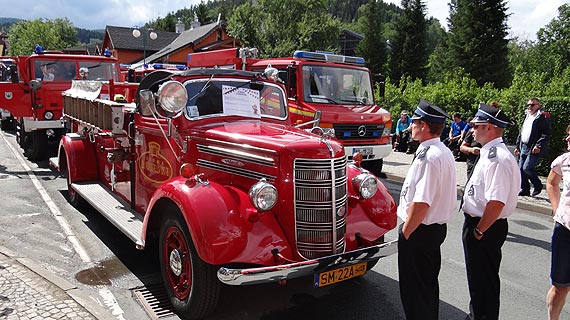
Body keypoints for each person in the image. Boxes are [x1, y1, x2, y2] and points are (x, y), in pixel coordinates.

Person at [397, 99, 457, 320]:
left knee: (414, 291)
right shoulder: (442, 151)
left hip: (419, 231)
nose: (410, 125)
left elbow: (422, 202)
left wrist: (406, 232)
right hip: (433, 229)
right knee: (427, 287)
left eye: (414, 122)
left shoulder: (429, 157)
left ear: (424, 126)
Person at [461, 103, 520, 320]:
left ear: (491, 127)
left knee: (483, 281)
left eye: (477, 125)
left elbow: (496, 202)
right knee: (479, 281)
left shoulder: (497, 158)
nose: (472, 129)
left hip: (485, 226)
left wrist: (479, 230)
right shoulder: (490, 152)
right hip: (482, 224)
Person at [545, 124, 570, 320]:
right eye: (568, 136)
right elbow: (552, 183)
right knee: (560, 286)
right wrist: (556, 209)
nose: (567, 140)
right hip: (565, 229)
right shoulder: (564, 161)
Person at [515, 98, 552, 197]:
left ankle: (537, 185)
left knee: (527, 167)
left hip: (533, 146)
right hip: (524, 145)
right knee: (520, 169)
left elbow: (546, 133)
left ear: (538, 105)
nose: (529, 107)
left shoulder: (542, 117)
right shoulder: (527, 115)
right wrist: (517, 146)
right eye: (528, 105)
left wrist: (538, 145)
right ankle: (525, 189)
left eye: (532, 105)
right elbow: (521, 132)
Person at [459, 102, 500, 178]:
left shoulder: (496, 134)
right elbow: (462, 147)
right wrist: (472, 150)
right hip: (473, 162)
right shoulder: (473, 131)